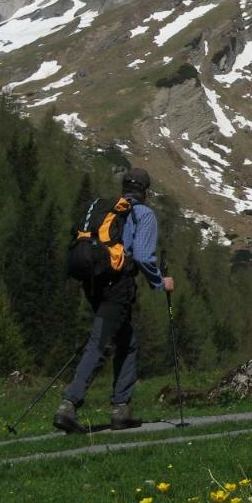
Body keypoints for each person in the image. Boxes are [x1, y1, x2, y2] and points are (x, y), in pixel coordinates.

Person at [53, 167, 174, 433]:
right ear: (145, 191)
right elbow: (142, 256)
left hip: (94, 282)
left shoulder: (109, 210)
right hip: (118, 285)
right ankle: (69, 405)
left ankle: (122, 408)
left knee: (127, 341)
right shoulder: (143, 214)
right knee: (99, 343)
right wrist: (159, 282)